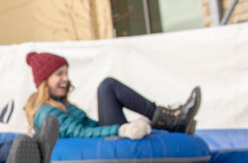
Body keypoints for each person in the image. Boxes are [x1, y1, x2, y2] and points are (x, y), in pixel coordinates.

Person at [24, 51, 201, 139]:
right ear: (44, 81)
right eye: (59, 74)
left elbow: (91, 126)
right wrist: (121, 130)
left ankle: (167, 122)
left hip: (98, 140)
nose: (65, 79)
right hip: (94, 145)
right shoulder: (47, 112)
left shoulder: (60, 106)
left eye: (66, 73)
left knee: (108, 87)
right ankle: (169, 121)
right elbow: (79, 133)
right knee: (107, 87)